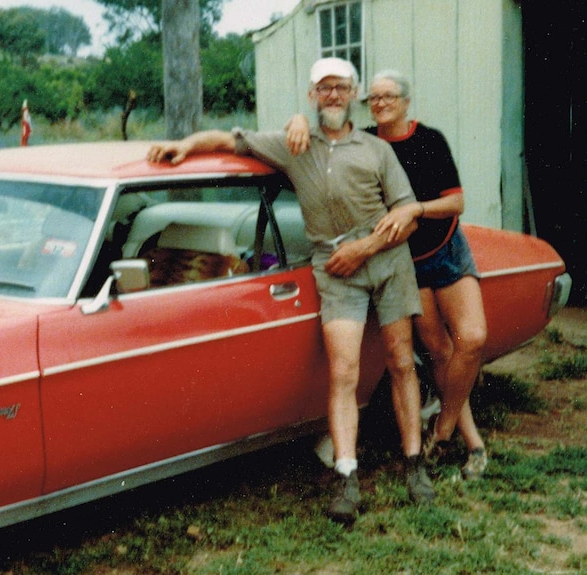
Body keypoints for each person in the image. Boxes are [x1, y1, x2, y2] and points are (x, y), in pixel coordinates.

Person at [147, 57, 436, 524]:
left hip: (385, 262)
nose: (334, 95)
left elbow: (406, 214)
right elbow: (228, 137)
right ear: (311, 95)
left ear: (353, 92)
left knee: (401, 362)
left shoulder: (376, 149)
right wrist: (185, 144)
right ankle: (347, 478)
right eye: (324, 88)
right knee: (343, 372)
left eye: (341, 87)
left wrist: (362, 248)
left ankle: (414, 465)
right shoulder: (293, 145)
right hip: (335, 269)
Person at [286, 70, 488, 480]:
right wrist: (299, 119)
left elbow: (457, 203)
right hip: (403, 261)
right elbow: (326, 141)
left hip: (444, 248)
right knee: (438, 351)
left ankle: (444, 428)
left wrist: (415, 209)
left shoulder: (429, 140)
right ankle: (473, 443)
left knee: (473, 338)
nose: (380, 103)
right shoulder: (365, 142)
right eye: (374, 98)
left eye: (388, 96)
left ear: (406, 101)